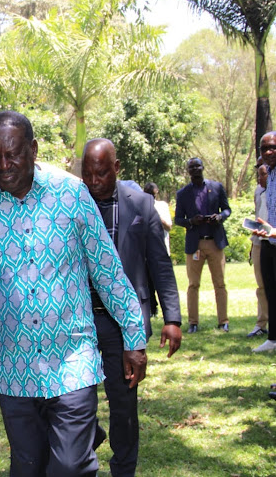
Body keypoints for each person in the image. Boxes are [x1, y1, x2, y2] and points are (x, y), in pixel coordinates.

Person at [0, 111, 147, 476]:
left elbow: (108, 272)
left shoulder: (72, 195)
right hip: (14, 369)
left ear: (34, 149)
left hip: (72, 362)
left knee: (69, 467)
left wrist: (134, 338)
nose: (3, 165)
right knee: (27, 467)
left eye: (12, 154)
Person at [82, 139, 182, 477]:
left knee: (123, 404)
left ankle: (123, 468)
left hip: (124, 324)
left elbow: (160, 264)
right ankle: (88, 436)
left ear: (117, 168)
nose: (94, 181)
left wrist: (172, 318)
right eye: (88, 174)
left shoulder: (140, 204)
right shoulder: (72, 203)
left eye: (102, 173)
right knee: (72, 398)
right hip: (79, 321)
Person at [174, 157, 231, 333]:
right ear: (188, 171)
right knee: (193, 285)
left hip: (215, 241)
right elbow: (178, 219)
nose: (195, 169)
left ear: (203, 167)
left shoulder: (216, 187)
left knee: (220, 283)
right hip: (195, 243)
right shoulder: (182, 194)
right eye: (192, 167)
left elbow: (227, 209)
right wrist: (191, 221)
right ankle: (193, 323)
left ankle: (223, 321)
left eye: (198, 166)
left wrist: (220, 217)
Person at [252, 131, 276, 353]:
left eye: (272, 147)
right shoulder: (269, 174)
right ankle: (273, 338)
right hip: (270, 243)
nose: (268, 152)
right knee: (271, 291)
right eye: (264, 148)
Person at [248, 163, 269, 338]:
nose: (260, 178)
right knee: (261, 285)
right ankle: (261, 323)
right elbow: (258, 216)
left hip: (273, 240)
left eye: (263, 174)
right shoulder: (257, 191)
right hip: (259, 242)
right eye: (259, 174)